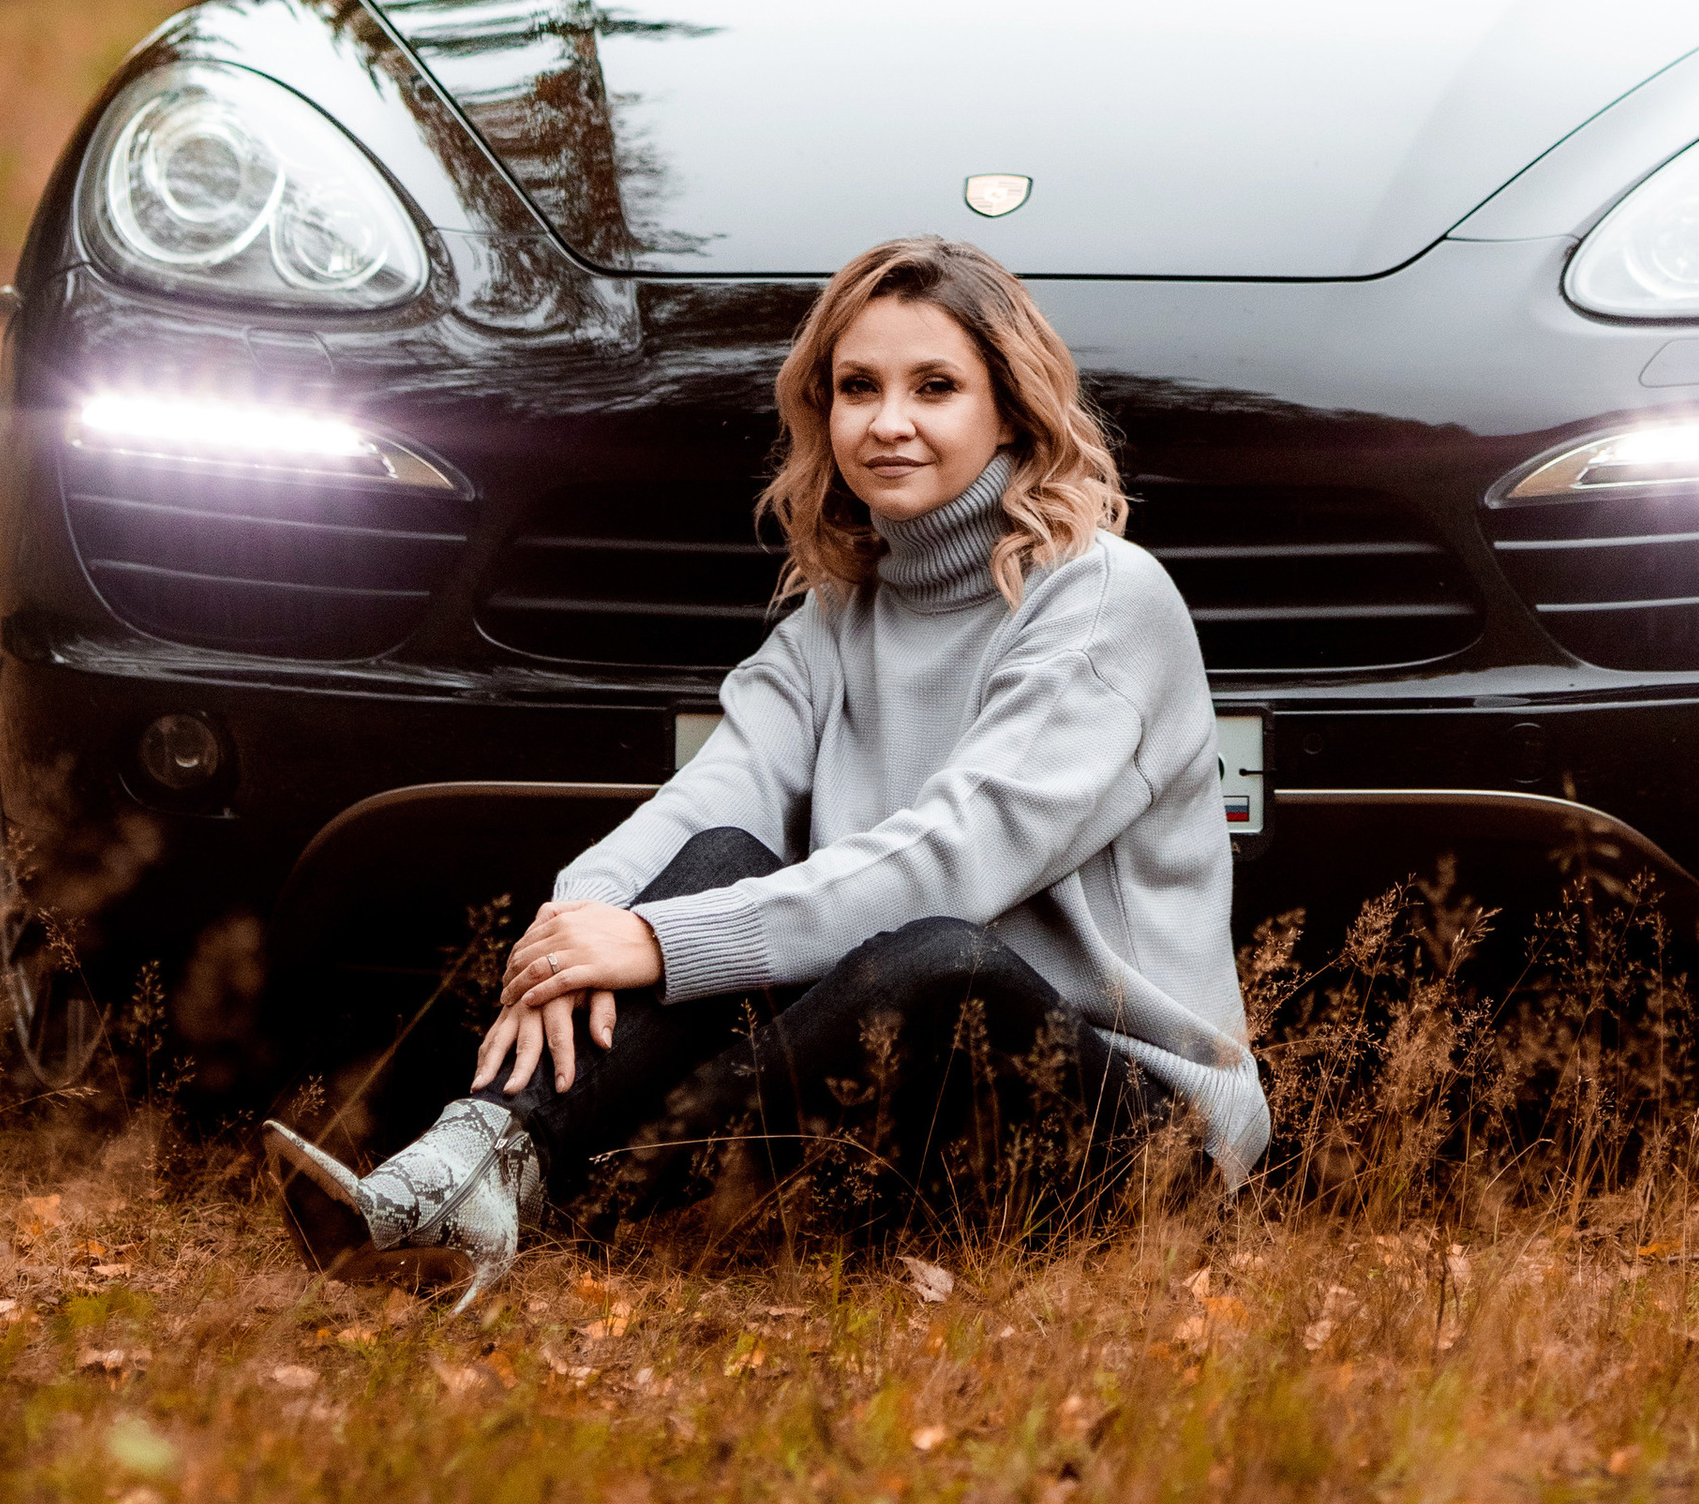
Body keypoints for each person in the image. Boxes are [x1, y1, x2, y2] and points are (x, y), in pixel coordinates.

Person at [264, 236, 1268, 1302]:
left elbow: (957, 856)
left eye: (935, 387)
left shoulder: (1101, 596)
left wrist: (653, 941)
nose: (888, 422)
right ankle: (472, 1159)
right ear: (821, 411)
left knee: (936, 956)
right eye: (856, 388)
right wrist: (571, 932)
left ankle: (589, 1189)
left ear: (1010, 410)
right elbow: (711, 797)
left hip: (1140, 1131)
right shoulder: (838, 615)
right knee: (719, 855)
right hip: (920, 1117)